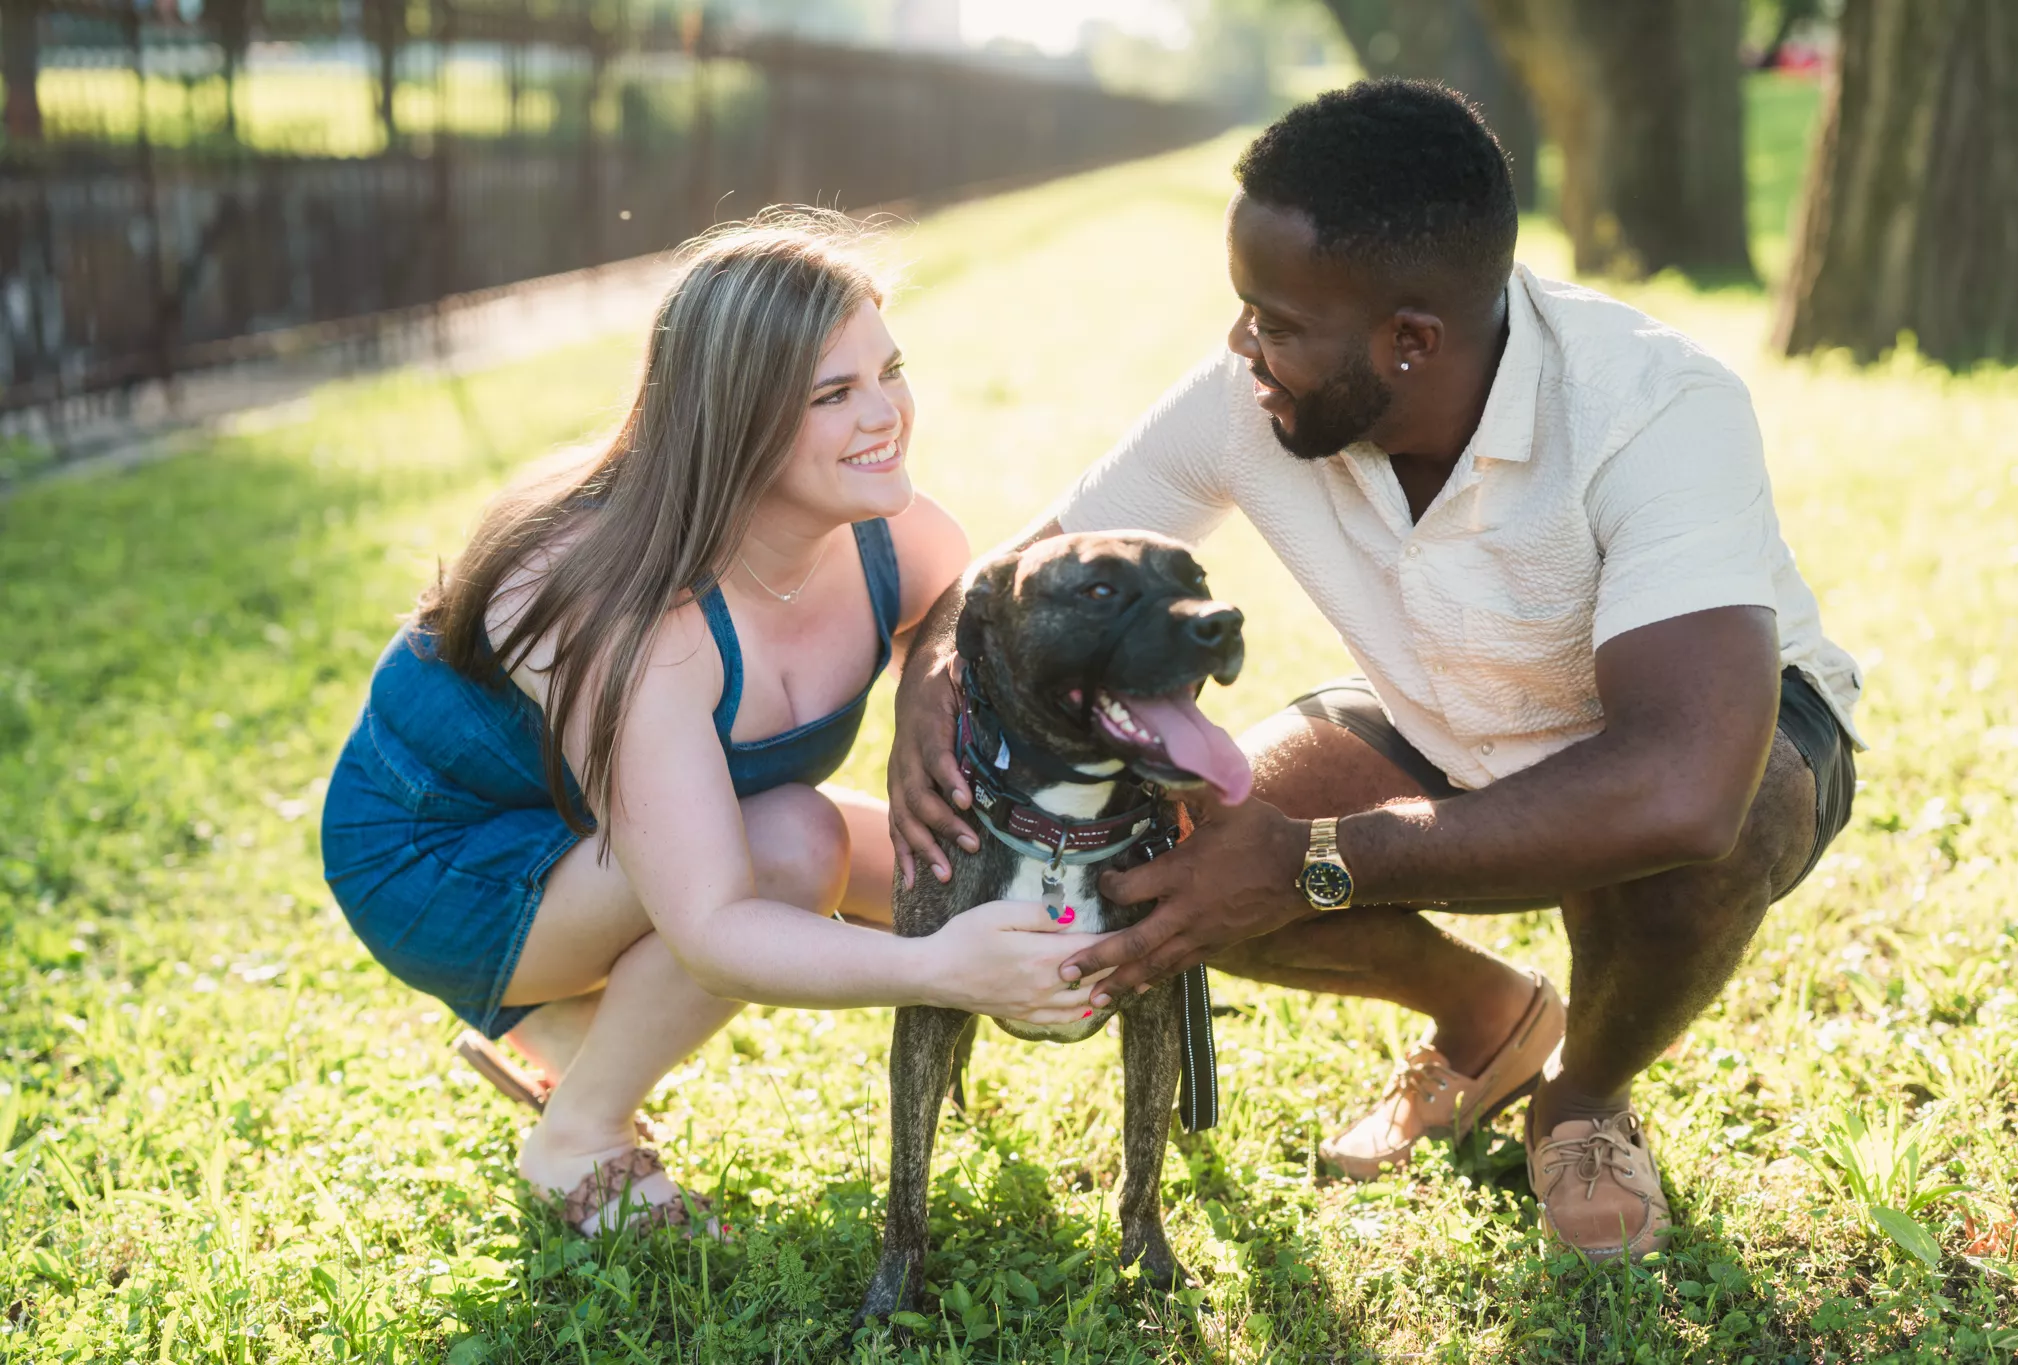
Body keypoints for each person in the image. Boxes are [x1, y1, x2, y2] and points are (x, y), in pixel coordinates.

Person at [887, 82, 1860, 1261]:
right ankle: (1485, 1017)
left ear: (1409, 339)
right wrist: (929, 672)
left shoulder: (1656, 407)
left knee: (1708, 833)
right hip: (1438, 724)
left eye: (1276, 321)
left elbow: (1681, 784)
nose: (1245, 345)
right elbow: (1019, 565)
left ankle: (1581, 1097)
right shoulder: (1248, 397)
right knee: (1188, 859)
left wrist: (1313, 861)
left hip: (1703, 747)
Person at [321, 209, 1108, 1235]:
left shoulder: (906, 546)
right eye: (832, 394)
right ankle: (578, 1139)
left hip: (611, 821)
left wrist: (1081, 861)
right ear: (731, 420)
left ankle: (574, 1030)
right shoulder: (638, 617)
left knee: (974, 861)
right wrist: (938, 970)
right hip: (442, 857)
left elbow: (976, 734)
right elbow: (715, 927)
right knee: (792, 843)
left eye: (888, 369)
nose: (887, 415)